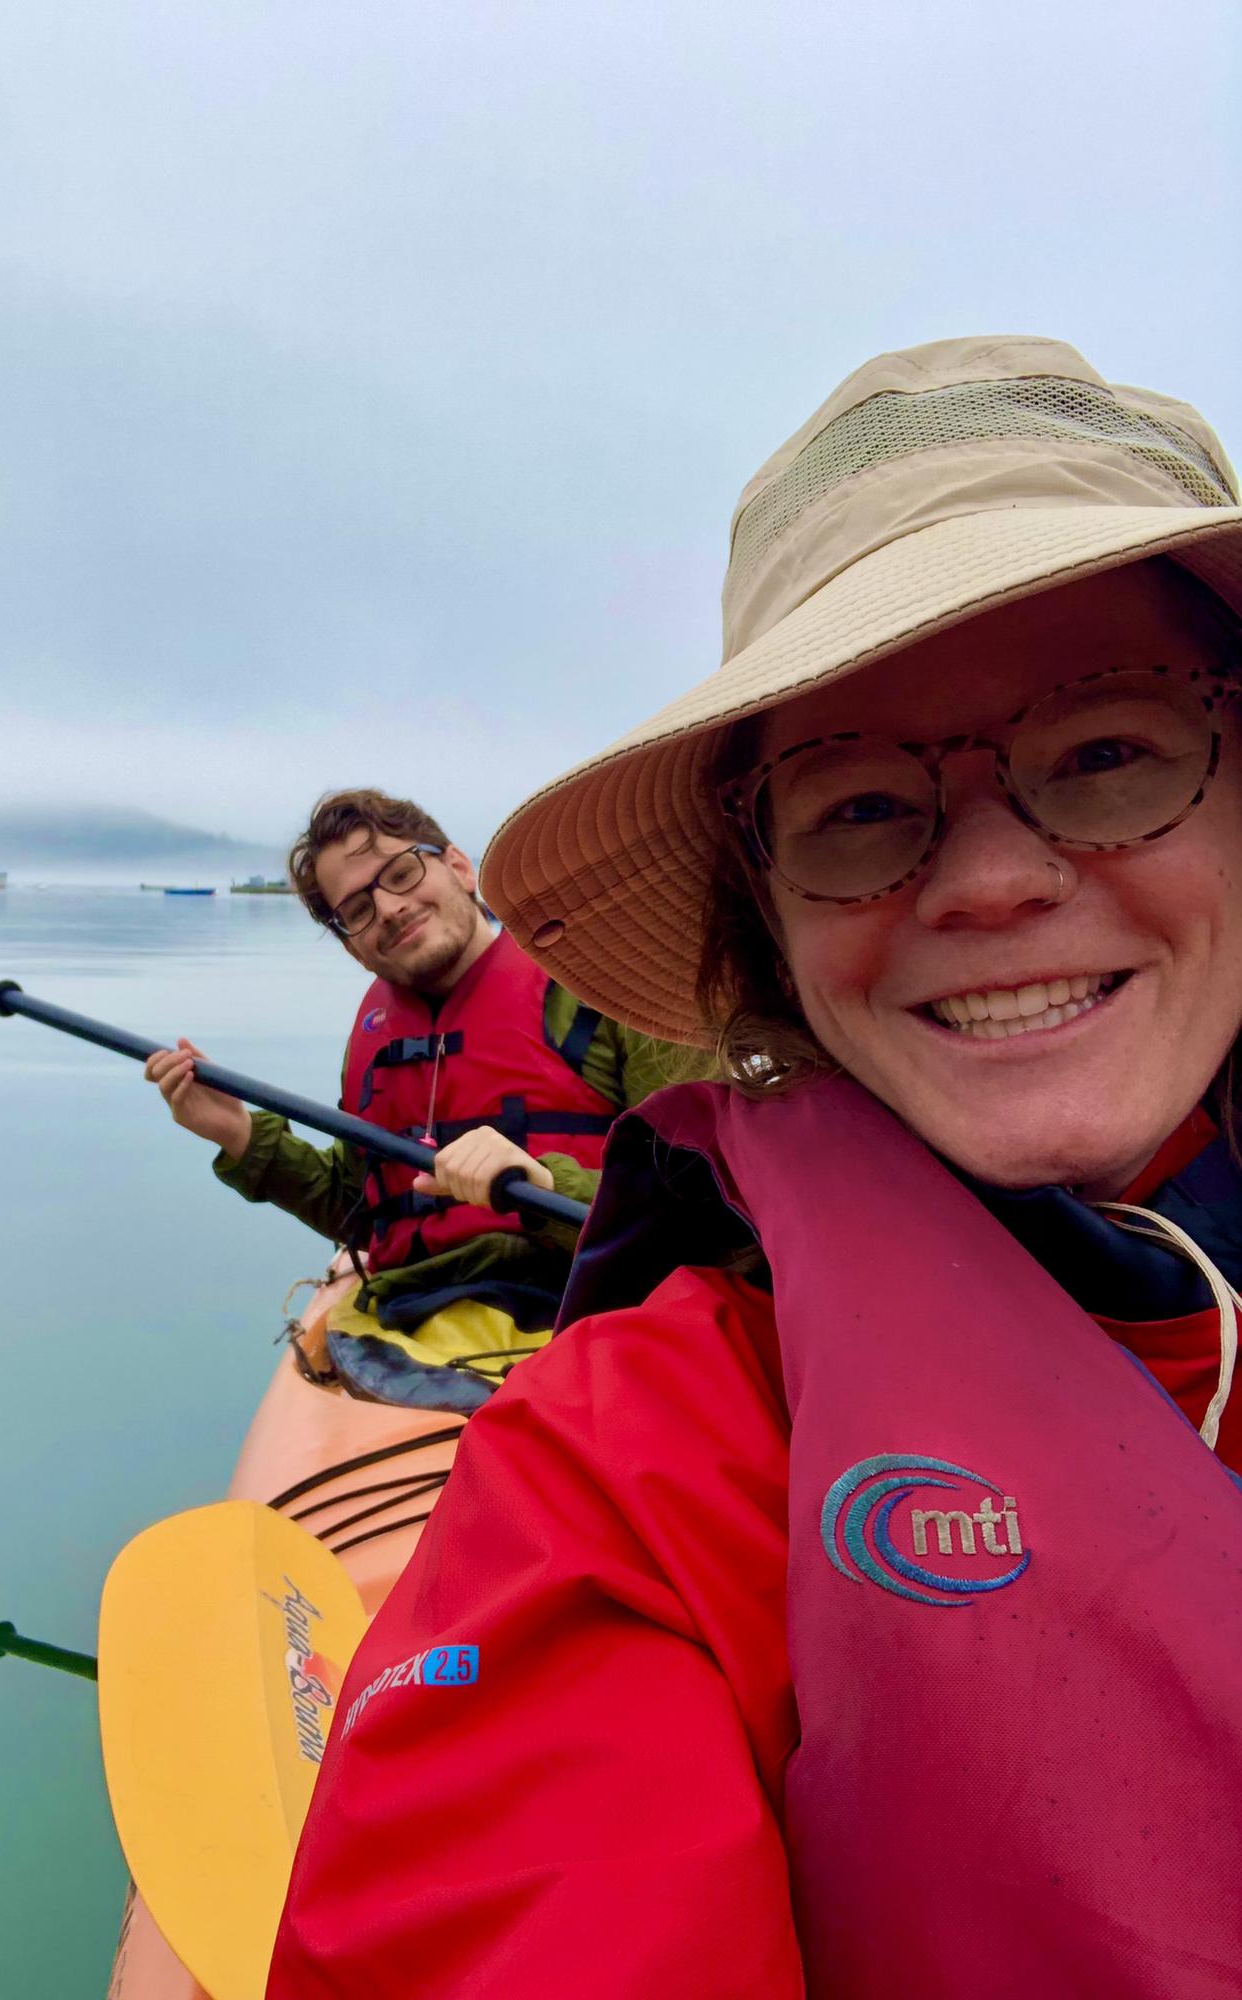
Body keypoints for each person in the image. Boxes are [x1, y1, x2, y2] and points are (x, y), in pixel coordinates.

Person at [267, 337, 1242, 1997]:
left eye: (1104, 755)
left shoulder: (579, 1015)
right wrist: (255, 1163)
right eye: (859, 806)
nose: (990, 881)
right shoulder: (633, 1460)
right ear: (771, 920)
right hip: (480, 1325)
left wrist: (526, 1191)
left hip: (540, 1256)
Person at [144, 788, 673, 1411]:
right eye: (358, 910)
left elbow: (709, 1200)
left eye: (401, 874)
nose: (390, 909)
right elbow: (365, 1213)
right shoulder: (372, 1035)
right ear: (349, 943)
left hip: (595, 1309)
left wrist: (544, 1187)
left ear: (457, 866)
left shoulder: (603, 984)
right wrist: (238, 1135)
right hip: (408, 1329)